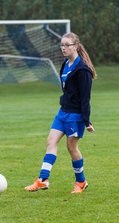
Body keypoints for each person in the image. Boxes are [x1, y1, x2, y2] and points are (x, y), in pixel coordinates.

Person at [25, 32, 97, 193]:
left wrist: (87, 121)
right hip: (63, 112)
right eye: (62, 45)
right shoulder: (65, 64)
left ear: (76, 46)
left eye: (67, 45)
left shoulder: (83, 70)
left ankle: (81, 182)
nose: (63, 48)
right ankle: (42, 180)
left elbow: (86, 98)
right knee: (51, 142)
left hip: (76, 116)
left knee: (71, 148)